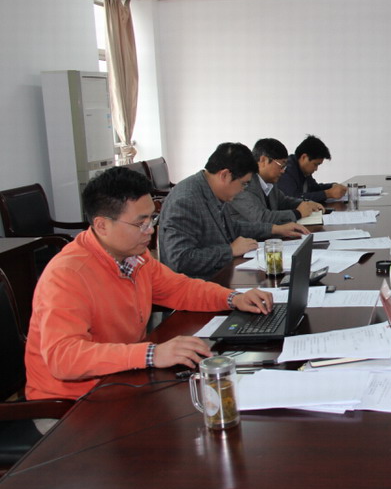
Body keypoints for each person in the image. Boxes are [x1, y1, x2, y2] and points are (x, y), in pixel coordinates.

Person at [25, 166, 275, 401]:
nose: (150, 231)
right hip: (72, 403)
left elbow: (180, 288)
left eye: (151, 220)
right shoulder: (67, 274)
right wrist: (151, 354)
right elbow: (63, 358)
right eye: (140, 223)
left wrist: (232, 298)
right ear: (101, 225)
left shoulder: (135, 257)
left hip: (121, 380)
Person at [159, 142, 307, 280]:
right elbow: (180, 260)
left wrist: (275, 229)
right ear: (224, 175)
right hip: (196, 286)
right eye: (244, 184)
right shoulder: (186, 201)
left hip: (220, 276)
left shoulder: (212, 190)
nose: (243, 190)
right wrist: (229, 251)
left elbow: (231, 227)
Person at [229, 138, 324, 228]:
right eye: (281, 165)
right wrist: (298, 213)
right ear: (263, 160)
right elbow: (261, 218)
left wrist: (306, 204)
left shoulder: (269, 182)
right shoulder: (243, 184)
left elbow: (283, 201)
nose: (283, 171)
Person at [276, 135, 347, 203]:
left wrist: (332, 186)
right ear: (304, 157)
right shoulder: (287, 170)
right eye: (315, 164)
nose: (316, 169)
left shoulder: (303, 170)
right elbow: (293, 199)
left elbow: (314, 189)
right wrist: (328, 194)